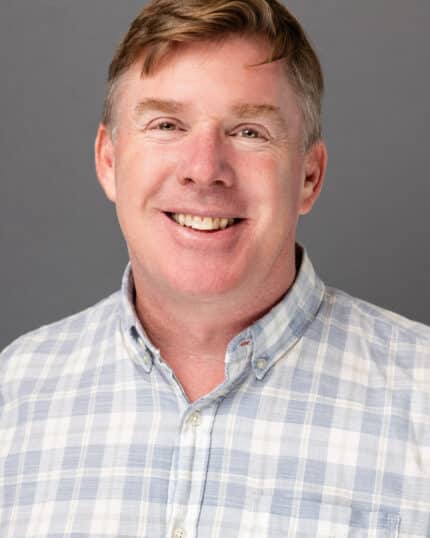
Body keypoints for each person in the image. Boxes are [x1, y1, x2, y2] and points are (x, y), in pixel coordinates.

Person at [1, 0, 429, 536]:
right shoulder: (14, 394)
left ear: (309, 177)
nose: (204, 170)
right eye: (166, 124)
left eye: (249, 131)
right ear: (108, 161)